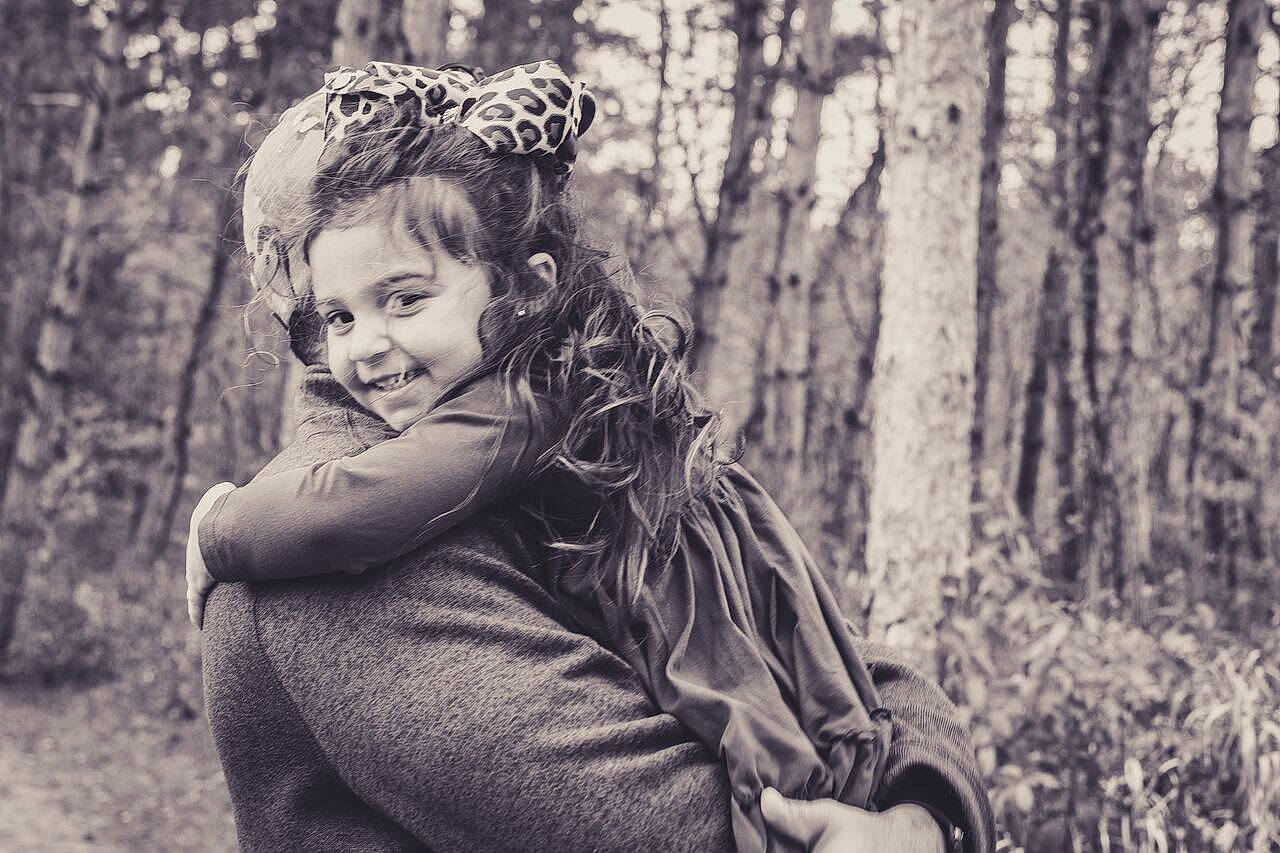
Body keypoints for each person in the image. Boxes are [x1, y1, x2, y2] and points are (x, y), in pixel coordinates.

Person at [193, 60, 994, 853]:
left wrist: (920, 813)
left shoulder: (535, 412)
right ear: (309, 313)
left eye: (408, 296)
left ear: (520, 281)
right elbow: (655, 827)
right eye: (343, 315)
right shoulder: (328, 561)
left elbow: (836, 651)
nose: (370, 341)